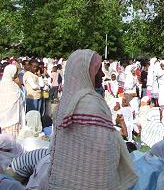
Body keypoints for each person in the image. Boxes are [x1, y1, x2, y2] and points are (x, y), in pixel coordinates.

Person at [48, 49, 137, 190]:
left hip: (63, 180)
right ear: (84, 72)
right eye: (98, 69)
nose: (102, 74)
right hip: (91, 181)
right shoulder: (90, 103)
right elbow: (105, 147)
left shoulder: (64, 102)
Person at [0, 64, 25, 137]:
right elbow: (22, 99)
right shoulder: (14, 87)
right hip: (13, 120)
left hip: (4, 120)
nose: (16, 75)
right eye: (15, 74)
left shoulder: (2, 84)